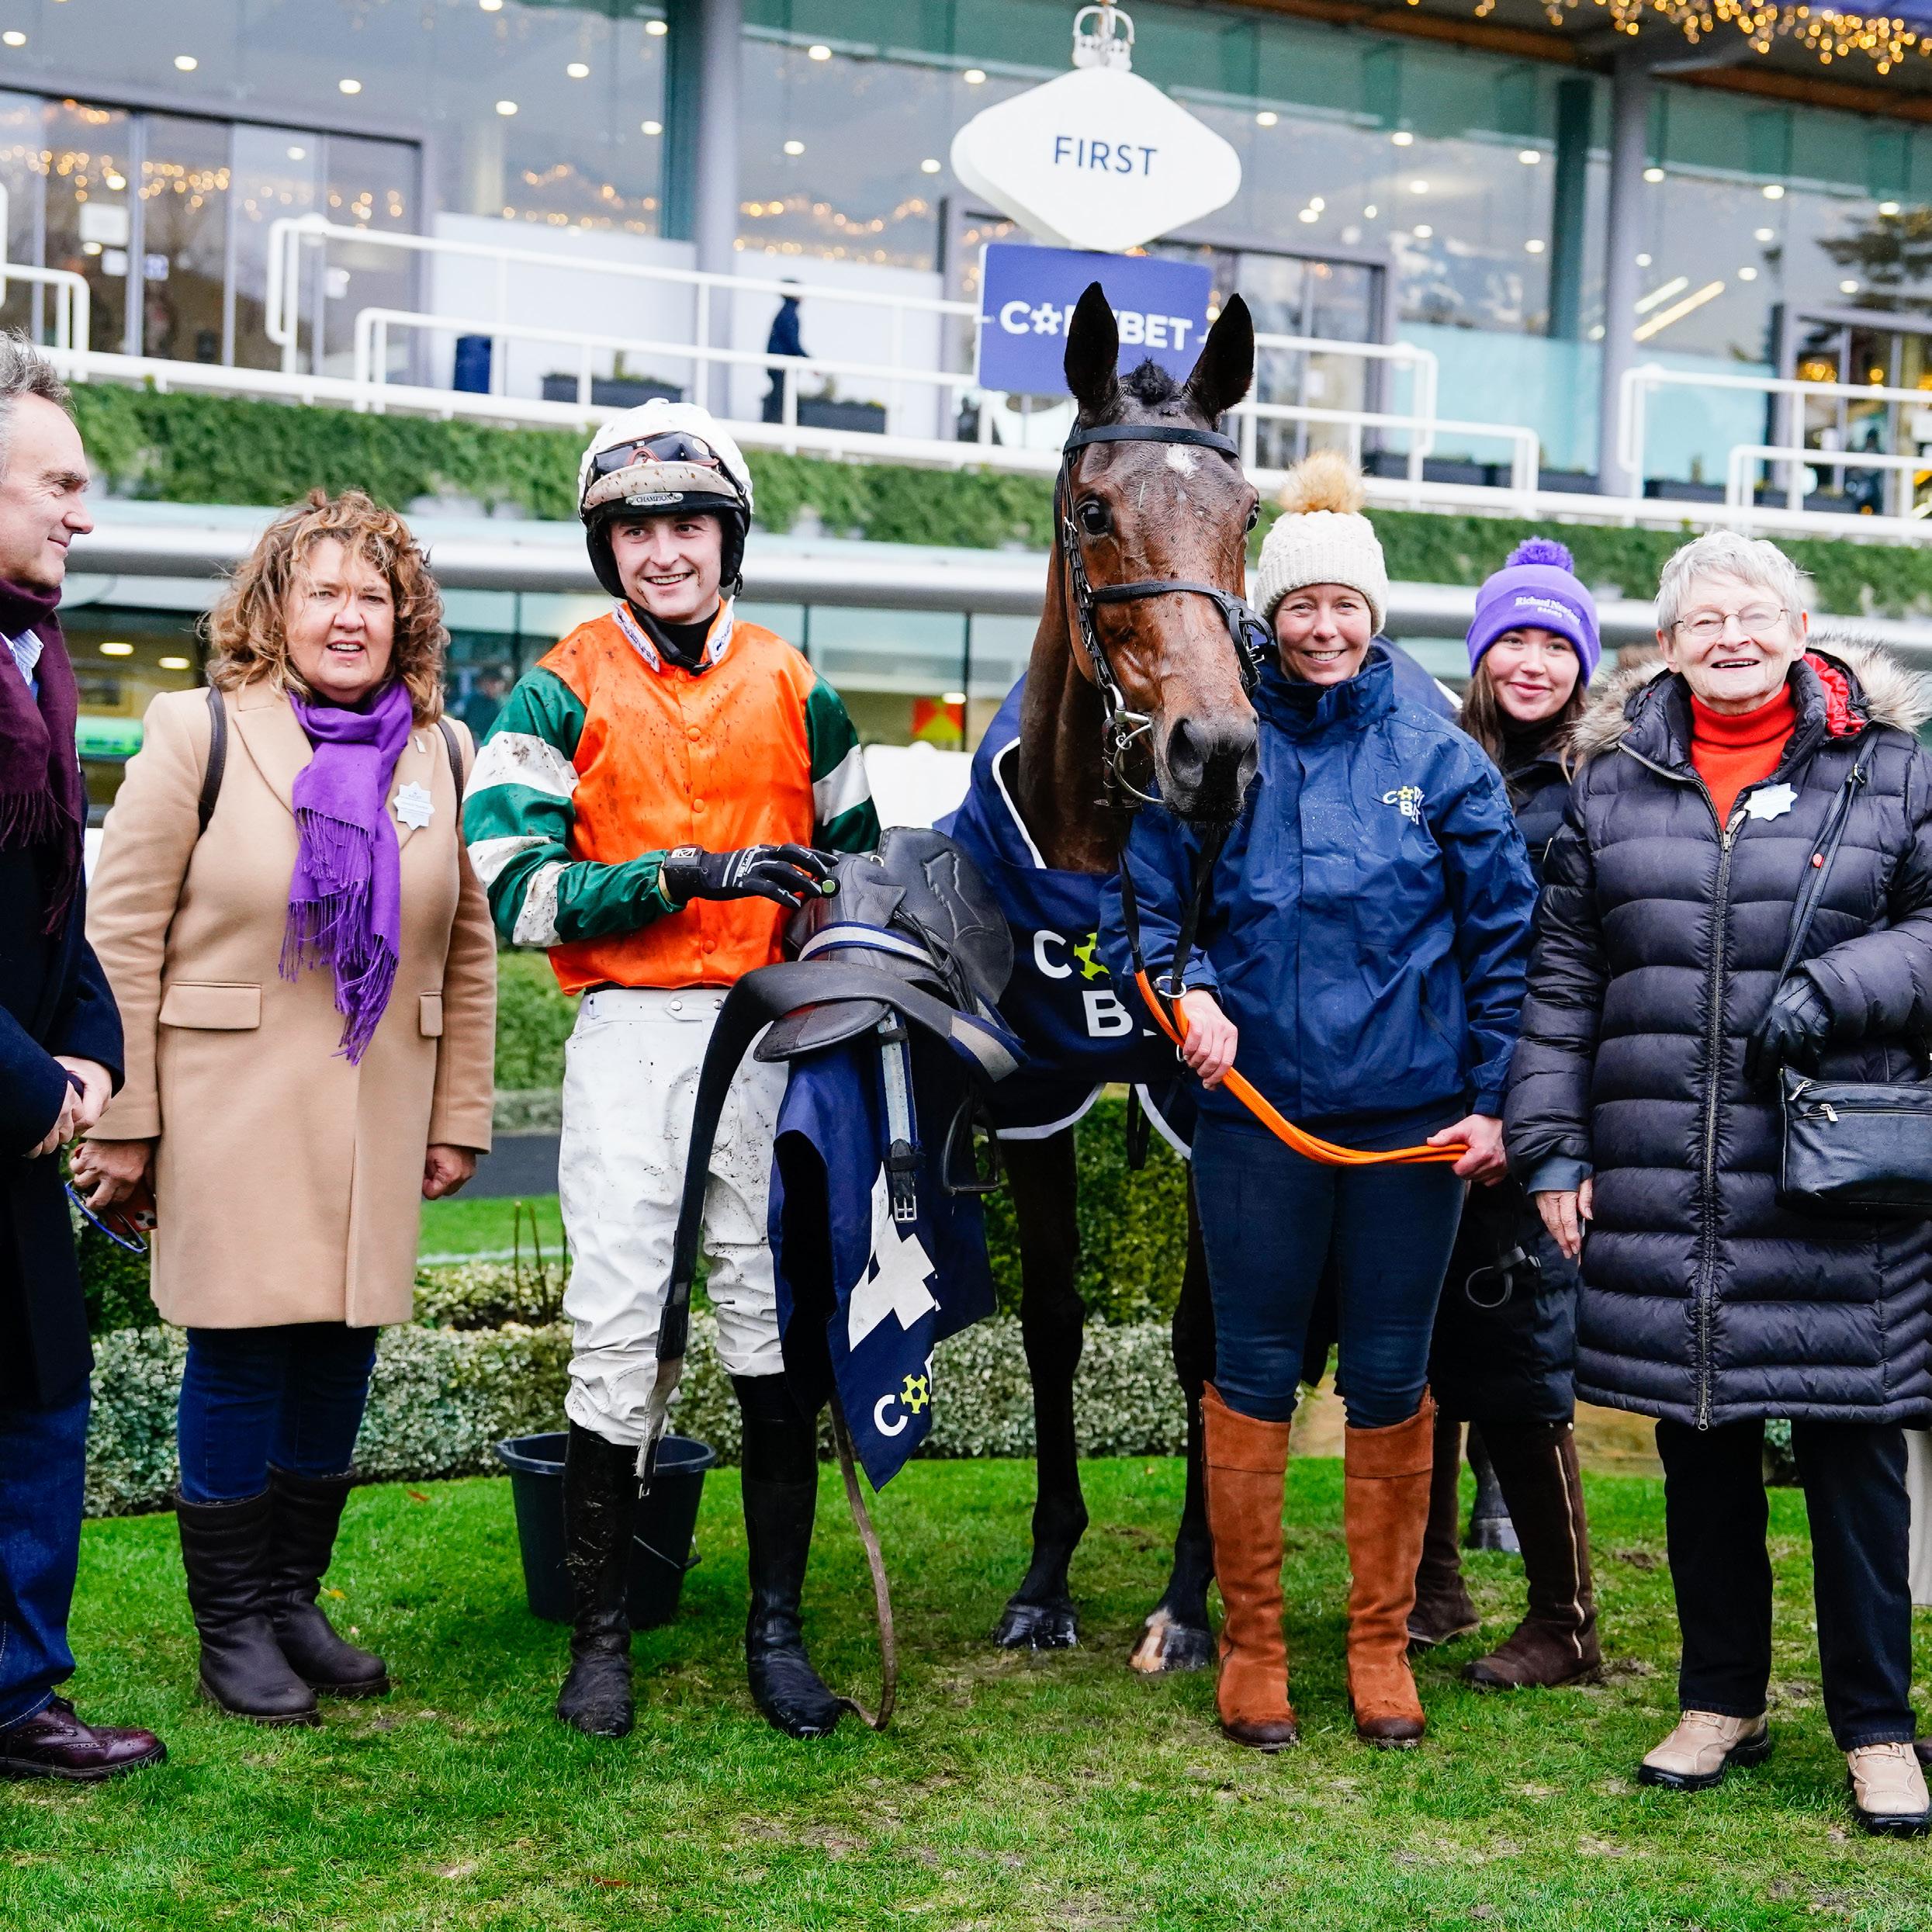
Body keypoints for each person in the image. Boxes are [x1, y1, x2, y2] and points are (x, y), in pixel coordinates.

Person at [1100, 452, 1538, 1750]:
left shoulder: (1440, 756)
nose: (1324, 627)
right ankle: (1251, 1647)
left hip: (1412, 1135)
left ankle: (1378, 1646)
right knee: (1249, 1375)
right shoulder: (1217, 745)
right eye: (1301, 606)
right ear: (1269, 615)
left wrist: (1494, 1103)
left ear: (1373, 613)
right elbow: (1145, 915)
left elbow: (1504, 944)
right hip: (1258, 1123)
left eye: (1345, 605)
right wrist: (1190, 992)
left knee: (1392, 1382)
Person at [462, 399, 879, 1741]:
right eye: (636, 530)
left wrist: (840, 956)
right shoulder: (556, 686)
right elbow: (515, 891)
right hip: (631, 1036)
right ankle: (600, 1639)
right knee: (619, 1327)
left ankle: (777, 1632)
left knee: (770, 1326)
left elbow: (863, 882)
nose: (664, 550)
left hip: (770, 1037)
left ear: (727, 537)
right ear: (608, 547)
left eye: (688, 524)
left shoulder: (799, 686)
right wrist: (680, 875)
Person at [1507, 528, 1932, 1836]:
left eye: (1754, 615)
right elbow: (1564, 978)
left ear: (1800, 633)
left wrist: (1833, 986)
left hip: (1834, 1180)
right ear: (1669, 645)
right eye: (1704, 620)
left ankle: (1877, 1728)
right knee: (1701, 1451)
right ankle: (1719, 1700)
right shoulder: (1610, 781)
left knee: (1854, 1459)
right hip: (1666, 1176)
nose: (1731, 637)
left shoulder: (1892, 770)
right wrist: (1551, 1145)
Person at [76, 490, 497, 1726]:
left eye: (374, 596)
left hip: (380, 1106)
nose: (349, 617)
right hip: (229, 1106)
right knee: (243, 1350)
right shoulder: (195, 730)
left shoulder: (444, 751)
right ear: (274, 609)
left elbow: (467, 949)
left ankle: (291, 1598)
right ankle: (232, 1627)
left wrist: (457, 1113)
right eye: (323, 592)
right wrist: (125, 1117)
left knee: (340, 1350)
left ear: (405, 618)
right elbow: (120, 936)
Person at [0, 333, 166, 1782]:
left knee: (42, 1406)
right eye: (57, 483)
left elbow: (59, 892)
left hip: (20, 1122)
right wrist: (30, 1083)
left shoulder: (36, 656)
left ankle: (16, 1698)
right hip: (7, 1099)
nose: (83, 513)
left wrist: (88, 1049)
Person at [1407, 538, 1603, 1691]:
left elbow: (1577, 967)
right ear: (1480, 653)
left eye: (1555, 644)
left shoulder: (1599, 780)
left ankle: (1565, 1619)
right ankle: (1434, 1582)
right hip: (1436, 1098)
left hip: (1531, 1102)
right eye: (1512, 639)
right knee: (1426, 1348)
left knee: (1524, 1359)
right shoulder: (1440, 759)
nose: (1533, 662)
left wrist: (1531, 1115)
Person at [762, 283, 804, 424]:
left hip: (777, 364)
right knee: (781, 401)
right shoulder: (789, 314)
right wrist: (809, 361)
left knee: (779, 399)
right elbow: (792, 342)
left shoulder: (785, 312)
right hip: (781, 366)